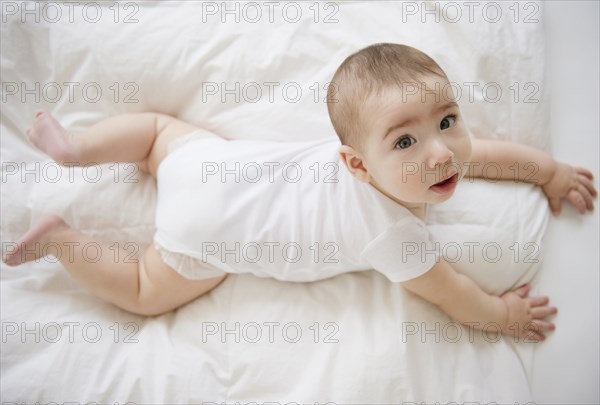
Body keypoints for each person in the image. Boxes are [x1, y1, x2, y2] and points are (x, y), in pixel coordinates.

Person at [3, 43, 596, 342]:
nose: (441, 153)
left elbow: (483, 155)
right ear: (356, 164)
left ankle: (76, 149)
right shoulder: (395, 238)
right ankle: (61, 242)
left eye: (446, 122)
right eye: (405, 142)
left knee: (157, 132)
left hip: (203, 167)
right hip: (199, 239)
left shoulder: (424, 162)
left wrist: (547, 171)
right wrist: (501, 317)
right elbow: (453, 294)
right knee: (143, 289)